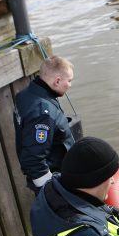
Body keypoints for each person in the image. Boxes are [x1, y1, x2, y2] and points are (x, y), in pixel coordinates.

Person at [14, 55, 75, 194]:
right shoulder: (43, 114)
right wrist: (52, 192)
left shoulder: (25, 94)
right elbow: (33, 160)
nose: (70, 85)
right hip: (56, 181)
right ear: (57, 81)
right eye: (69, 81)